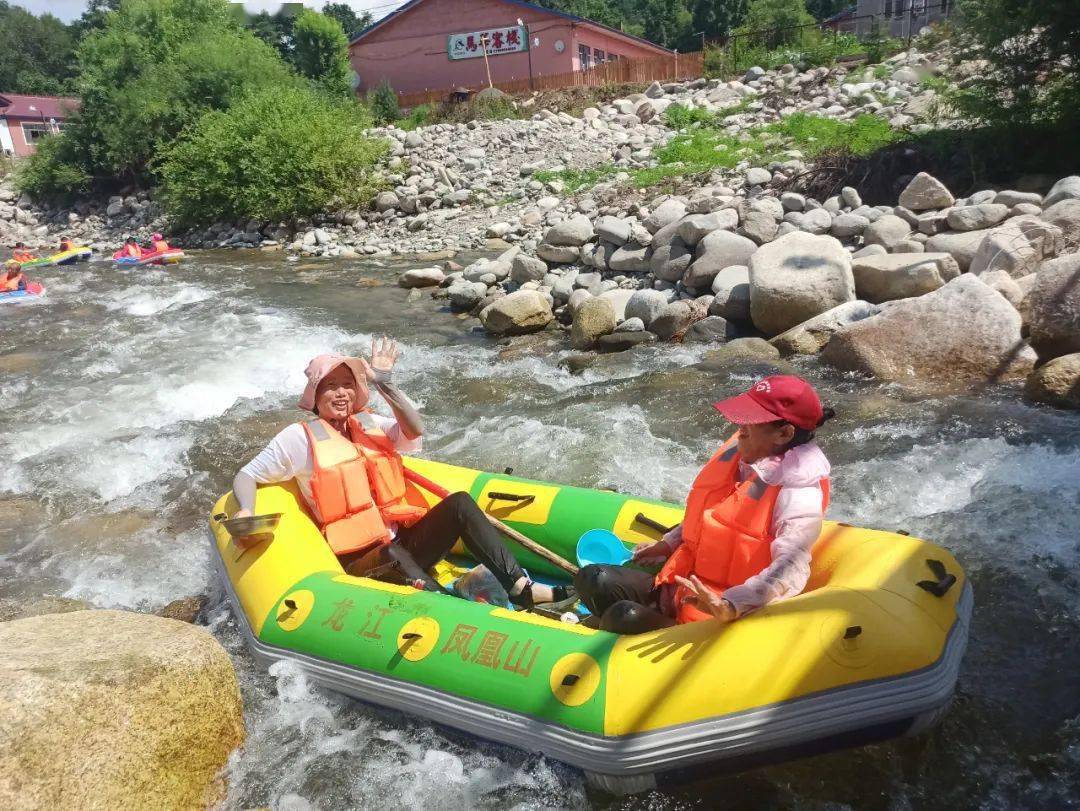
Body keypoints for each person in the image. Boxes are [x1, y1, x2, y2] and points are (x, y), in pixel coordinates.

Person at [231, 340, 574, 609]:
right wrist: (246, 508)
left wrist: (387, 384)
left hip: (402, 544)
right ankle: (449, 607)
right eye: (330, 386)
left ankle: (520, 588)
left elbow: (414, 429)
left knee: (460, 504)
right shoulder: (297, 439)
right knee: (394, 556)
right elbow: (246, 475)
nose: (340, 393)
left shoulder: (368, 423)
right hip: (361, 558)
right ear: (315, 395)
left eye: (347, 384)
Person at [575, 375, 834, 634]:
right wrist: (669, 543)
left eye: (751, 422)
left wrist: (731, 604)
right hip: (682, 587)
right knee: (593, 579)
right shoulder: (748, 456)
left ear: (784, 433)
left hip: (716, 617)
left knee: (624, 617)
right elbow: (713, 514)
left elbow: (792, 566)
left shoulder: (800, 491)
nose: (739, 427)